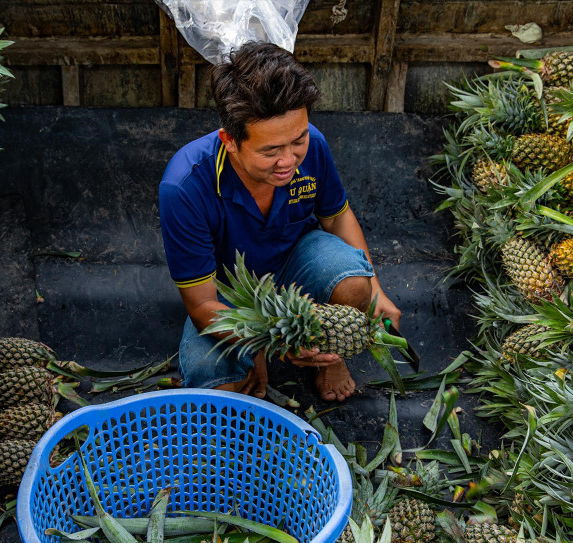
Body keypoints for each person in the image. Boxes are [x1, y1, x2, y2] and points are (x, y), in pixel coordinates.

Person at [158, 42, 401, 402]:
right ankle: (264, 355)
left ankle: (331, 358)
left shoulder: (313, 145)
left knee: (355, 284)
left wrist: (376, 291)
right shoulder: (184, 187)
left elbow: (336, 218)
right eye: (270, 151)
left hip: (295, 261)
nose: (289, 160)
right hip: (230, 292)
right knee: (217, 389)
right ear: (230, 142)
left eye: (298, 140)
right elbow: (202, 306)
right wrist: (268, 342)